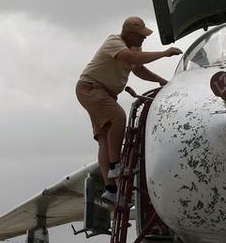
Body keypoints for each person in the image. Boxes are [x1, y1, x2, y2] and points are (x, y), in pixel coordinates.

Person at [76, 16, 182, 204]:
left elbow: (138, 68)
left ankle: (111, 189)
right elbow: (131, 59)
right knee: (118, 117)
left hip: (102, 93)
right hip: (91, 88)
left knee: (104, 139)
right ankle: (116, 165)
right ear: (129, 34)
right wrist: (165, 53)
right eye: (141, 35)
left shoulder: (134, 48)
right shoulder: (114, 42)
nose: (144, 39)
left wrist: (160, 80)